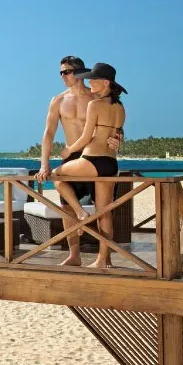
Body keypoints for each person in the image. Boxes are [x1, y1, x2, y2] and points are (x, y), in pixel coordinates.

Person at [35, 56, 121, 255]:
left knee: (103, 210)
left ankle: (105, 258)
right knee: (66, 207)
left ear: (79, 72)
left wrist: (118, 139)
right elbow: (48, 133)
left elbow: (114, 125)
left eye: (66, 72)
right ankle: (74, 256)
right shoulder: (58, 100)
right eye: (60, 73)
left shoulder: (96, 97)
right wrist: (44, 164)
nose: (62, 76)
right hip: (72, 159)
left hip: (94, 156)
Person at [53, 63, 127, 269]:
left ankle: (80, 213)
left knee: (56, 176)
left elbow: (86, 138)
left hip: (92, 160)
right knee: (104, 213)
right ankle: (103, 260)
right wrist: (118, 142)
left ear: (105, 83)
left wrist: (68, 151)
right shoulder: (120, 107)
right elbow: (118, 134)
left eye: (93, 79)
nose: (89, 82)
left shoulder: (94, 105)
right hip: (111, 163)